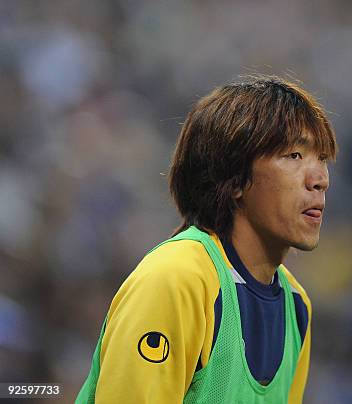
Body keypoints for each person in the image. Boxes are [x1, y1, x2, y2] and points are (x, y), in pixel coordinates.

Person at [76, 75, 337, 403]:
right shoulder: (176, 279)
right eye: (295, 156)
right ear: (236, 178)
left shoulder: (296, 304)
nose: (320, 180)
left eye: (322, 158)